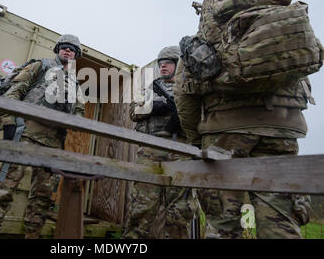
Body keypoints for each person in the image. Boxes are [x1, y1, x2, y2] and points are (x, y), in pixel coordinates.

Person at [173, 57, 312, 239]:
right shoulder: (281, 29)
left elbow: (184, 96)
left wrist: (197, 140)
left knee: (223, 222)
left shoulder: (207, 37)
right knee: (280, 218)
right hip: (282, 129)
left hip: (225, 130)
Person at [0, 34, 85, 239]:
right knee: (4, 190)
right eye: (64, 47)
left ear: (76, 55)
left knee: (42, 198)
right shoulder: (40, 66)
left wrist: (69, 117)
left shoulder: (74, 84)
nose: (67, 50)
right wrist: (9, 124)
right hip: (23, 134)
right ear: (58, 49)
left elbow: (79, 115)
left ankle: (32, 235)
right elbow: (13, 93)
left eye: (72, 49)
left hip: (52, 143)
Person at [122, 46, 198, 239]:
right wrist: (156, 106)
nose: (163, 67)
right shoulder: (149, 90)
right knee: (142, 206)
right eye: (161, 64)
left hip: (181, 151)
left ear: (178, 64)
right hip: (150, 151)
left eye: (168, 63)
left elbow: (201, 118)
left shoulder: (189, 88)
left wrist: (179, 115)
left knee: (180, 211)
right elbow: (133, 112)